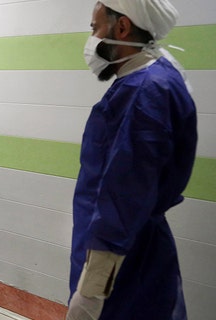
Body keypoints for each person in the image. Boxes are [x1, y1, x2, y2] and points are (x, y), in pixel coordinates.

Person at [67, 1, 197, 319]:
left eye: (95, 28)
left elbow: (123, 201)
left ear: (122, 28)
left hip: (122, 262)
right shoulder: (157, 76)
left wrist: (91, 291)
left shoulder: (143, 94)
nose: (93, 39)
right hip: (132, 247)